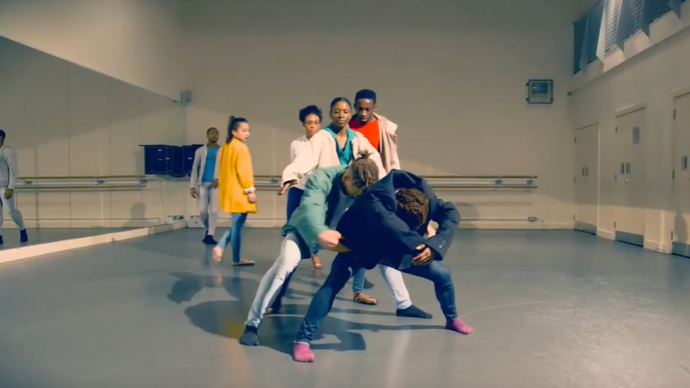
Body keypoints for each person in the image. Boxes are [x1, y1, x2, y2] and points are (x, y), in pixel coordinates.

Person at [291, 170, 473, 363]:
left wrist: (435, 245)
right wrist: (421, 243)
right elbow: (396, 230)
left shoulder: (424, 198)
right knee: (332, 285)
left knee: (442, 275)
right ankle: (302, 339)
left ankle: (451, 319)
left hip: (397, 248)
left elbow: (451, 213)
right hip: (359, 245)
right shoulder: (374, 204)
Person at [271, 97, 429, 317]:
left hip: (353, 205)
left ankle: (403, 303)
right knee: (294, 251)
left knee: (381, 244)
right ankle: (276, 299)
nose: (341, 115)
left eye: (345, 111)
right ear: (331, 113)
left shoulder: (359, 139)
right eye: (337, 111)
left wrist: (390, 191)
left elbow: (377, 168)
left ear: (349, 114)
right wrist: (290, 176)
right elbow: (303, 161)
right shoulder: (322, 138)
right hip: (327, 203)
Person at [238, 154, 381, 347]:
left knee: (381, 254)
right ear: (346, 177)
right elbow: (311, 207)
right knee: (284, 265)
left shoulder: (364, 186)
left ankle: (403, 302)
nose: (357, 196)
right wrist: (321, 233)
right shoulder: (322, 177)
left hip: (340, 234)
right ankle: (251, 325)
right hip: (305, 230)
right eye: (356, 191)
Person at [348, 88, 407, 304]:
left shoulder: (384, 127)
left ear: (375, 108)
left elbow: (391, 158)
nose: (363, 113)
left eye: (368, 109)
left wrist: (395, 184)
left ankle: (360, 288)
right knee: (358, 239)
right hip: (353, 188)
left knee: (370, 238)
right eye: (360, 108)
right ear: (354, 106)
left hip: (377, 187)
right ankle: (358, 288)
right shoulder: (348, 125)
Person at [212, 116, 256, 266]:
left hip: (229, 193)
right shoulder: (241, 147)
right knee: (237, 226)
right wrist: (250, 190)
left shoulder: (226, 147)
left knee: (237, 225)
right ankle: (221, 246)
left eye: (248, 130)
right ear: (234, 131)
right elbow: (243, 171)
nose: (247, 133)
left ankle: (236, 258)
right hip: (240, 193)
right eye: (243, 130)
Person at [286, 105, 323, 269]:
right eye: (309, 123)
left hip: (315, 191)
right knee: (292, 224)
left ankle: (314, 254)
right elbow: (295, 166)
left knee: (313, 225)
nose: (313, 126)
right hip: (297, 189)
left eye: (316, 122)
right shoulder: (296, 144)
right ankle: (289, 257)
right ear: (303, 125)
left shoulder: (325, 143)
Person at [190, 127, 221, 244]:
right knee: (202, 211)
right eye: (212, 133)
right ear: (207, 135)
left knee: (213, 211)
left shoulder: (222, 151)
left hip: (216, 185)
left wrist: (219, 179)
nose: (214, 135)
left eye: (216, 133)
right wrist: (192, 186)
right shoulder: (200, 151)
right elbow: (194, 168)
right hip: (202, 184)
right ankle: (208, 229)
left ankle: (210, 235)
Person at [0, 129, 28, 245]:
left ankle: (22, 229)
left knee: (11, 211)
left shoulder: (7, 152)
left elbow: (13, 170)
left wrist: (10, 187)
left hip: (4, 186)